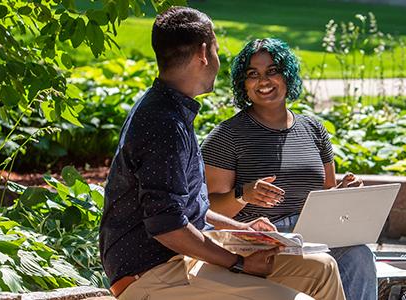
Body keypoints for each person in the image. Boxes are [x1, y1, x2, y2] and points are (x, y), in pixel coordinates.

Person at [99, 8, 346, 300]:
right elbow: (167, 227)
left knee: (321, 268)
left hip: (182, 260)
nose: (217, 59)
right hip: (151, 273)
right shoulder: (163, 123)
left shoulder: (172, 109)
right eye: (216, 48)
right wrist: (240, 264)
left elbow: (190, 209)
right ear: (204, 53)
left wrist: (242, 227)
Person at [201, 38, 378, 300]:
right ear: (243, 84)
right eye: (253, 74)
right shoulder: (227, 136)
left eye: (272, 71)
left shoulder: (313, 129)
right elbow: (207, 207)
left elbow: (327, 191)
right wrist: (243, 195)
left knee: (359, 255)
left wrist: (345, 191)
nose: (263, 81)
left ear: (287, 75)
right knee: (322, 262)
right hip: (258, 237)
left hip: (312, 233)